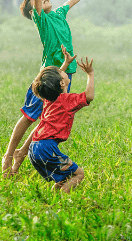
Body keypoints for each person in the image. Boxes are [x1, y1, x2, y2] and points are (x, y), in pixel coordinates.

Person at [1, 0, 101, 176]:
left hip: (67, 73)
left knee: (50, 117)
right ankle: (9, 155)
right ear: (32, 11)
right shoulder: (42, 20)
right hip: (49, 75)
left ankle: (21, 157)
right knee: (29, 116)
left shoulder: (58, 14)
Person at [27, 46, 94, 193]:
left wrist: (66, 63)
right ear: (62, 83)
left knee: (64, 177)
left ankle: (54, 198)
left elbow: (54, 82)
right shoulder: (67, 101)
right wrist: (90, 74)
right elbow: (89, 96)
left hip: (34, 148)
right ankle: (62, 201)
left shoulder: (48, 98)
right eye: (61, 72)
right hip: (47, 149)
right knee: (78, 174)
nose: (63, 71)